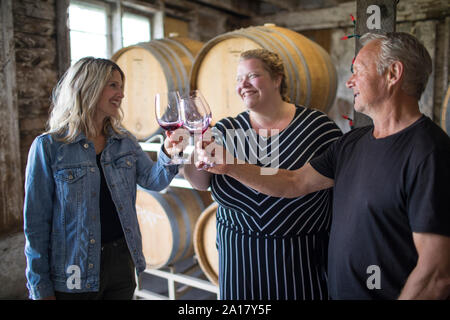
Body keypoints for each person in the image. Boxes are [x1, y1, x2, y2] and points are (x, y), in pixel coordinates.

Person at [196, 33, 450, 300]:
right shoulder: (352, 143)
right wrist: (231, 166)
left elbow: (436, 274)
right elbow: (293, 182)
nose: (350, 82)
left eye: (358, 71)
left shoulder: (430, 154)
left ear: (393, 73)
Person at [183, 49, 342, 299]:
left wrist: (232, 165)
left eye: (253, 75)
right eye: (238, 79)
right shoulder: (227, 129)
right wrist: (191, 147)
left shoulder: (317, 127)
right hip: (239, 261)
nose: (243, 85)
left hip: (299, 262)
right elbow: (200, 182)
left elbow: (328, 189)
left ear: (277, 79)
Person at [23, 57, 181, 300]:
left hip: (121, 262)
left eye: (121, 86)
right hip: (74, 267)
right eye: (113, 85)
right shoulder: (49, 147)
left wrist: (170, 153)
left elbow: (153, 180)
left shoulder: (124, 141)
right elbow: (36, 224)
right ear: (88, 87)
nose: (121, 94)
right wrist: (39, 287)